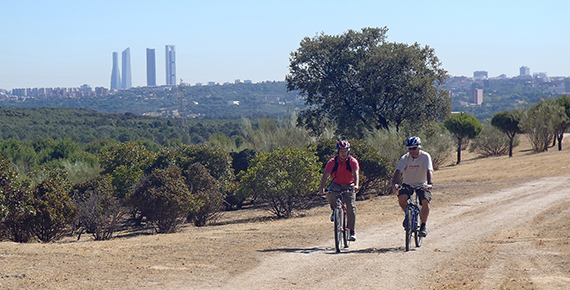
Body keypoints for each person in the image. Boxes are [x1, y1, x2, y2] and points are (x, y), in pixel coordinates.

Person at [391, 136, 433, 237]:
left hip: (422, 184)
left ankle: (423, 225)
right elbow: (398, 171)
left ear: (419, 147)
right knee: (402, 198)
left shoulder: (425, 156)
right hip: (407, 184)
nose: (412, 151)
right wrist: (394, 183)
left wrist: (430, 183)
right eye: (409, 149)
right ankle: (408, 216)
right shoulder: (405, 158)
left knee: (425, 201)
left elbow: (429, 170)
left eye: (414, 148)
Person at [318, 140, 360, 241]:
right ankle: (334, 210)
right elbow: (326, 175)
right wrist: (322, 187)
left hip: (349, 184)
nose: (343, 153)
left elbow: (356, 174)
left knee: (351, 206)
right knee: (330, 193)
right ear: (338, 151)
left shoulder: (352, 161)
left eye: (345, 151)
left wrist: (356, 185)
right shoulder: (332, 162)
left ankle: (352, 231)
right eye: (341, 151)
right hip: (336, 183)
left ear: (348, 151)